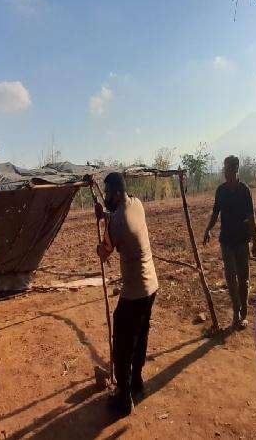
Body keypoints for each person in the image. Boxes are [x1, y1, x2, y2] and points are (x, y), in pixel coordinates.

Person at [95, 172, 158, 416]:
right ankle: (137, 381)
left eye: (108, 193)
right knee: (140, 335)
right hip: (151, 285)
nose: (107, 197)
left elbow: (104, 253)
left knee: (122, 344)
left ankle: (123, 397)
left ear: (118, 193)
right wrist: (106, 216)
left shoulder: (117, 223)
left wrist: (102, 230)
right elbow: (119, 216)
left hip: (135, 291)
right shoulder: (137, 203)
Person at [203, 155, 256, 330]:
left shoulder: (244, 191)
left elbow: (251, 218)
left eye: (228, 169)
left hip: (242, 241)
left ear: (235, 170)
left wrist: (255, 244)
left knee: (243, 280)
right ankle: (236, 312)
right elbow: (215, 213)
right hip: (226, 242)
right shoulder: (220, 191)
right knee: (230, 279)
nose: (225, 172)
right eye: (224, 168)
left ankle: (244, 313)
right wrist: (208, 229)